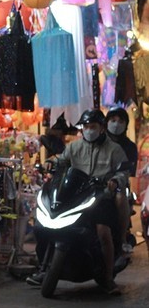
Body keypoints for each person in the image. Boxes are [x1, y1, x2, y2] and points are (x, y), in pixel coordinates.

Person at [31, 109, 129, 294]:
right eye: (86, 127)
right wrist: (51, 164)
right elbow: (62, 162)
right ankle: (42, 267)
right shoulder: (74, 147)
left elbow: (123, 171)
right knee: (42, 226)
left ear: (101, 128)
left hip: (100, 197)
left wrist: (115, 181)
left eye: (93, 127)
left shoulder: (114, 149)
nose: (89, 130)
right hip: (76, 196)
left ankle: (108, 278)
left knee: (103, 232)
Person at [106, 106, 137, 255]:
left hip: (118, 183)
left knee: (120, 196)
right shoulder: (99, 142)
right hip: (96, 182)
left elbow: (128, 171)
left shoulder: (130, 147)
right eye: (112, 120)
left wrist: (117, 179)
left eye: (120, 121)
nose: (116, 124)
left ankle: (123, 238)